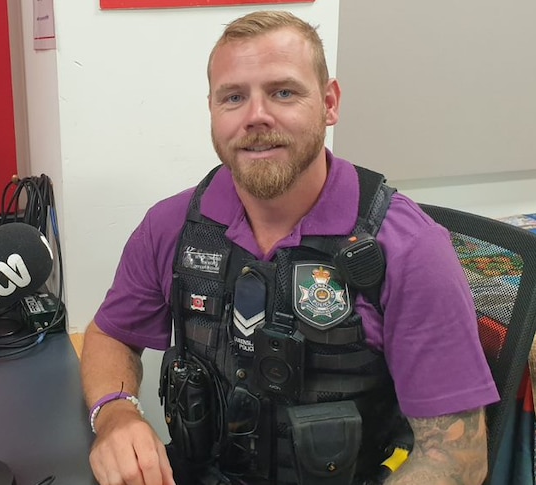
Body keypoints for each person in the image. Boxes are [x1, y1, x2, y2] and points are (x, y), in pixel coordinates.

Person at [80, 10, 499, 485]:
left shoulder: (410, 249)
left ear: (329, 102)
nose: (256, 116)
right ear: (213, 111)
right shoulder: (171, 225)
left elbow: (457, 461)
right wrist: (116, 415)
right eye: (233, 97)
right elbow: (110, 334)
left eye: (283, 92)